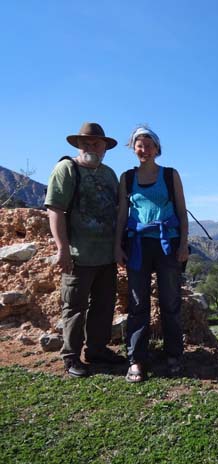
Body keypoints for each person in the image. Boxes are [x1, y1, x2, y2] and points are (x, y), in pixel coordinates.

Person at [45, 122, 124, 378]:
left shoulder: (109, 174)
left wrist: (117, 248)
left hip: (105, 255)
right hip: (78, 255)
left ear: (105, 147)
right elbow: (55, 209)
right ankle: (71, 357)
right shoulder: (67, 169)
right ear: (79, 145)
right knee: (75, 307)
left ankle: (97, 350)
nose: (91, 147)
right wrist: (62, 249)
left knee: (103, 304)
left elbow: (116, 212)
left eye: (96, 143)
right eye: (86, 143)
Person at [114, 126, 189, 382]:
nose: (143, 149)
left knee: (170, 302)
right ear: (133, 149)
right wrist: (117, 246)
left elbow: (181, 210)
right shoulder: (126, 178)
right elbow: (122, 214)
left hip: (167, 242)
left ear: (157, 149)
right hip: (137, 245)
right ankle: (136, 360)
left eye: (148, 145)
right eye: (139, 145)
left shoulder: (169, 175)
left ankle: (174, 356)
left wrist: (183, 244)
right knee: (137, 304)